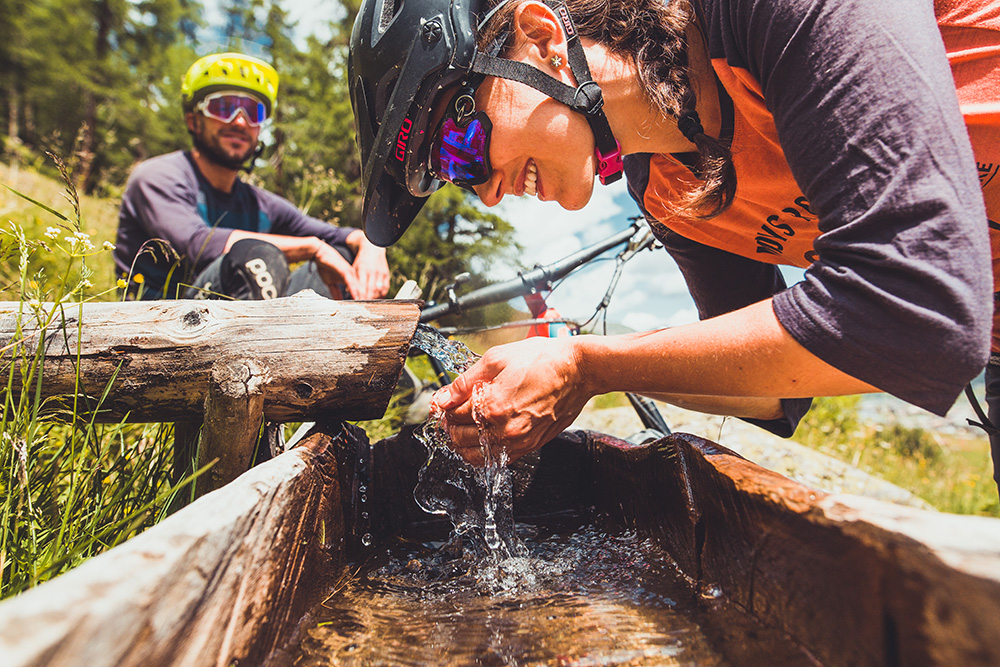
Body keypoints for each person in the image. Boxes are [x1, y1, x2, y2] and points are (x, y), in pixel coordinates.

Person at [348, 0, 1000, 482]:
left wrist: (593, 363)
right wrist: (576, 370)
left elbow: (916, 310)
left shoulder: (773, 12)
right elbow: (773, 394)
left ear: (541, 36)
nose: (485, 190)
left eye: (462, 149)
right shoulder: (667, 191)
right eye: (456, 181)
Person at [115, 51, 390, 302]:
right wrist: (312, 248)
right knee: (258, 257)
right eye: (223, 107)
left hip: (245, 328)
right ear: (193, 120)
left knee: (340, 256)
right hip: (159, 329)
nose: (239, 121)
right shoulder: (158, 176)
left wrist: (371, 246)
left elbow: (340, 235)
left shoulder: (261, 204)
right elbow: (194, 243)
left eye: (252, 111)